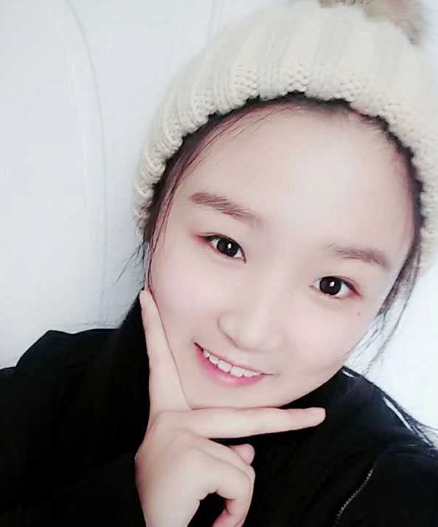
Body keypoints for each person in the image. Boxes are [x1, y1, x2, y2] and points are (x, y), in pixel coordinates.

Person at [2, 0, 438, 525]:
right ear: (156, 212)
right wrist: (129, 506)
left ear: (383, 300)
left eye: (331, 284)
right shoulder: (43, 391)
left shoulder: (391, 491)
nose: (251, 332)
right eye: (227, 245)